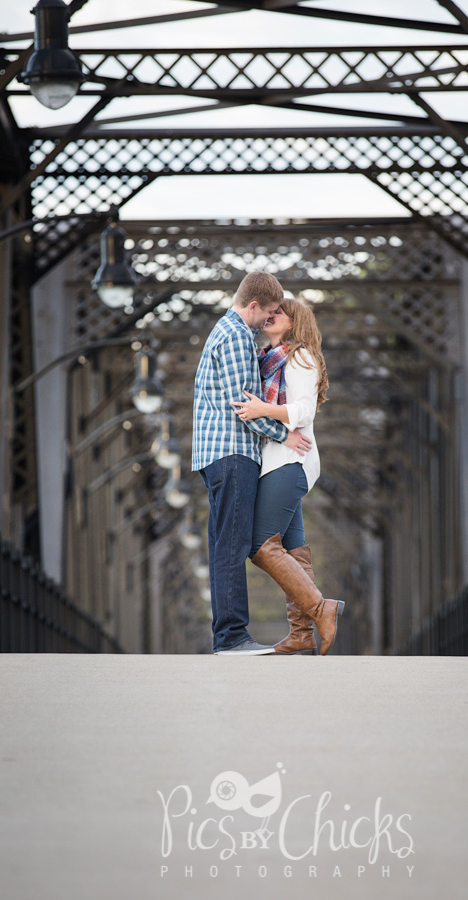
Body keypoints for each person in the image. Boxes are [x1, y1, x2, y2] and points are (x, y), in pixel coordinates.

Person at [191, 272, 312, 656]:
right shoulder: (237, 337)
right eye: (270, 311)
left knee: (225, 544)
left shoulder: (228, 333)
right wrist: (285, 435)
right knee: (234, 544)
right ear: (254, 305)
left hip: (220, 454)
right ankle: (232, 637)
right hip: (232, 452)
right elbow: (244, 406)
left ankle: (230, 636)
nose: (269, 319)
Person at [230, 297, 345, 655]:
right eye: (269, 310)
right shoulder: (271, 359)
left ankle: (320, 608)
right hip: (277, 461)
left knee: (261, 547)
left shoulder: (301, 357)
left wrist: (262, 409)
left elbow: (303, 410)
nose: (270, 315)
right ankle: (301, 634)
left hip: (289, 464)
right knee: (294, 552)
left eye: (279, 312)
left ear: (295, 323)